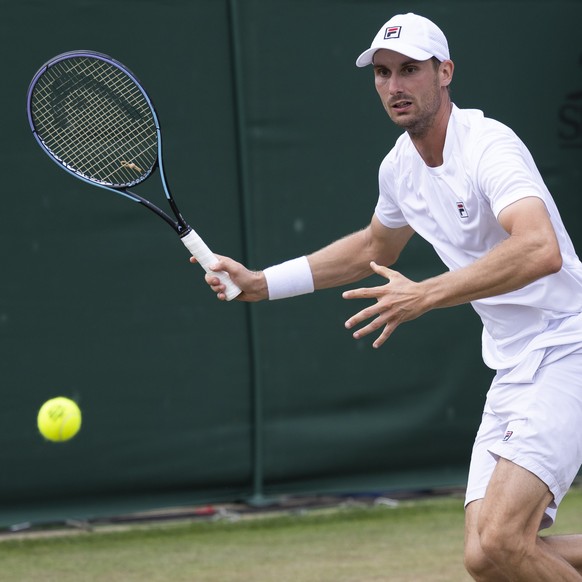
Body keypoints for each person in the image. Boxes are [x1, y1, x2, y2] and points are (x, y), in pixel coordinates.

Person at [193, 12, 582, 580]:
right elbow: (372, 247)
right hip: (513, 362)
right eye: (382, 73)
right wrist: (260, 283)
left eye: (409, 70)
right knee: (484, 559)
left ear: (444, 72)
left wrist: (426, 295)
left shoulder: (489, 146)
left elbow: (539, 248)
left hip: (568, 346)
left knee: (502, 539)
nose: (395, 86)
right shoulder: (399, 169)